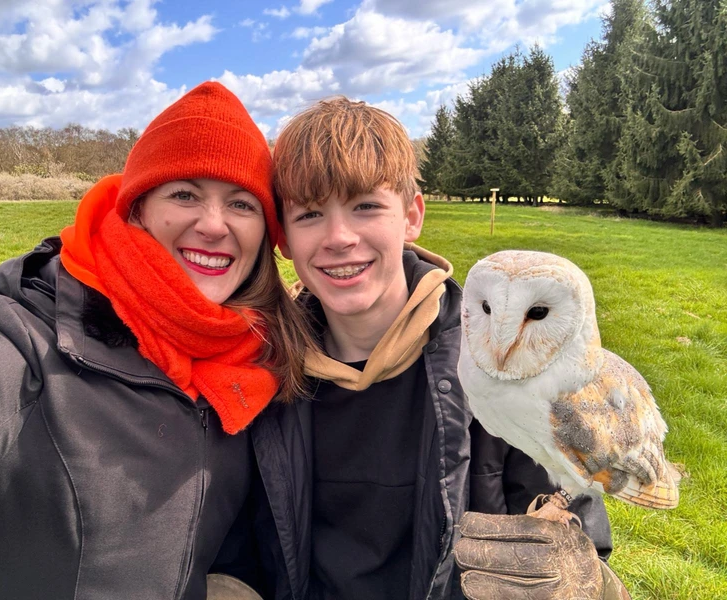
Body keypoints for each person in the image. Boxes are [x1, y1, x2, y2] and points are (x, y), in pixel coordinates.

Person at [0, 81, 312, 600]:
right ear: (136, 210)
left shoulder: (258, 361)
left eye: (241, 203)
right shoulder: (23, 342)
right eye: (184, 194)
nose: (214, 224)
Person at [249, 97, 631, 599]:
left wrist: (584, 583)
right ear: (283, 238)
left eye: (366, 206)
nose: (339, 237)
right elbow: (239, 542)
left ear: (412, 216)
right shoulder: (261, 369)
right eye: (310, 214)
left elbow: (580, 539)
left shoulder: (508, 369)